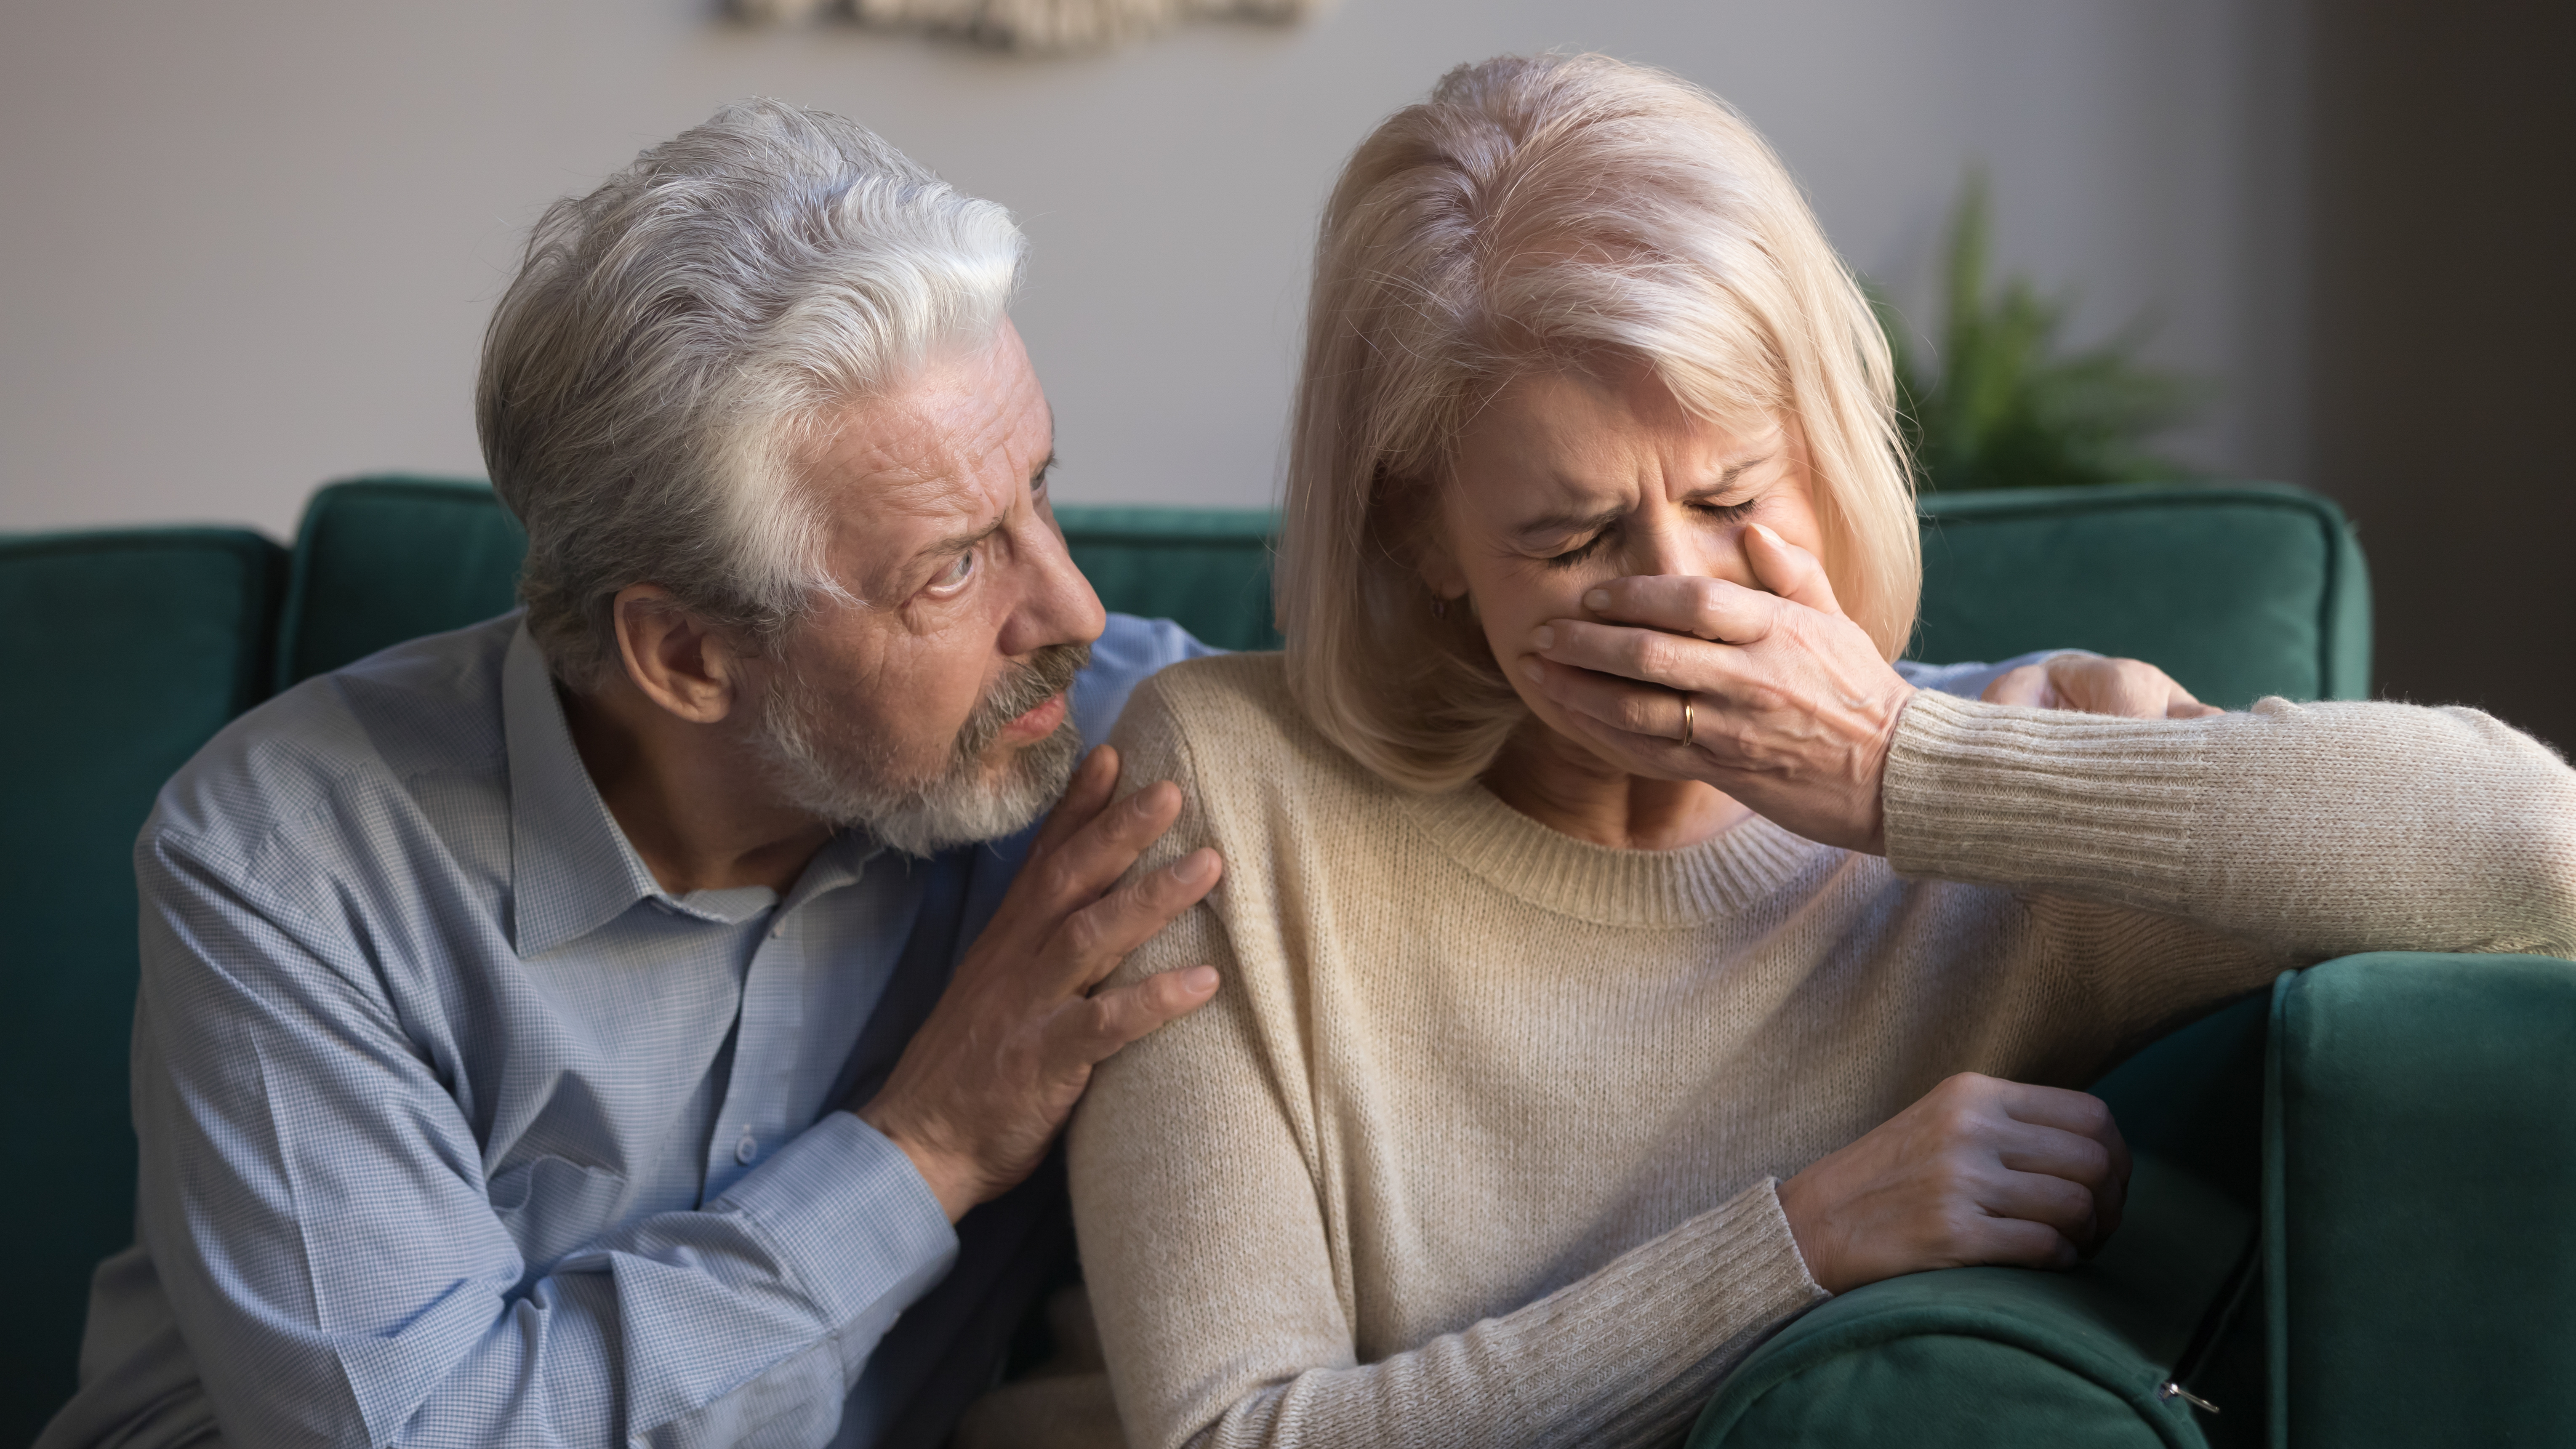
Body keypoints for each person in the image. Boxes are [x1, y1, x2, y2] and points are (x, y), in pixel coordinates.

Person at [39, 98, 2192, 1449]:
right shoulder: (287, 857)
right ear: (685, 650)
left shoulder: (1131, 754)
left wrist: (1940, 743)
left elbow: (1617, 727)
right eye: (961, 564)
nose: (1071, 611)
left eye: (1043, 495)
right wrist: (930, 1144)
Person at [1064, 53, 2576, 1449]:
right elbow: (1229, 1431)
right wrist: (1799, 1242)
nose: (1686, 587)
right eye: (1577, 535)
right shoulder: (1226, 788)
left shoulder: (2022, 790)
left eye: (1735, 493)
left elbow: (2535, 852)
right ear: (1419, 529)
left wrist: (1900, 768)